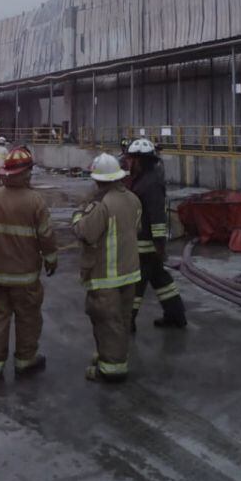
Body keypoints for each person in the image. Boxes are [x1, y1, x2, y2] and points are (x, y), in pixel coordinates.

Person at [0, 146, 56, 379]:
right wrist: (51, 259)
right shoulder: (35, 201)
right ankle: (25, 359)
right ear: (25, 174)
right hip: (24, 274)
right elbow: (46, 236)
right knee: (28, 316)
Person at [72, 153, 141, 383]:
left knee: (106, 322)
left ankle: (111, 369)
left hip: (106, 277)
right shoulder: (132, 199)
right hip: (129, 273)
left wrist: (78, 215)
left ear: (100, 180)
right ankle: (111, 356)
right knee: (120, 321)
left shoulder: (102, 205)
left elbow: (85, 232)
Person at [127, 138, 187, 329]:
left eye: (131, 158)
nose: (128, 162)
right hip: (147, 244)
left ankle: (128, 319)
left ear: (140, 160)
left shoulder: (150, 183)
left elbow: (157, 216)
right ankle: (175, 315)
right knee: (161, 281)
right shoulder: (142, 178)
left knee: (136, 283)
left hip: (146, 245)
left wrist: (159, 244)